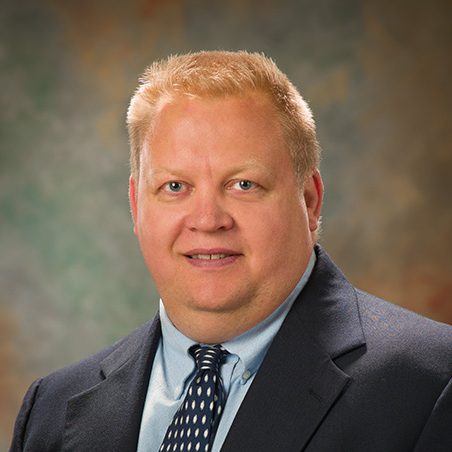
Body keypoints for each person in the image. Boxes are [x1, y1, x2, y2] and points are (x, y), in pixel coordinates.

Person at [9, 51, 452, 452]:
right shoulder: (51, 409)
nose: (207, 219)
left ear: (309, 200)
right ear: (136, 206)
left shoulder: (431, 385)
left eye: (244, 184)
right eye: (175, 186)